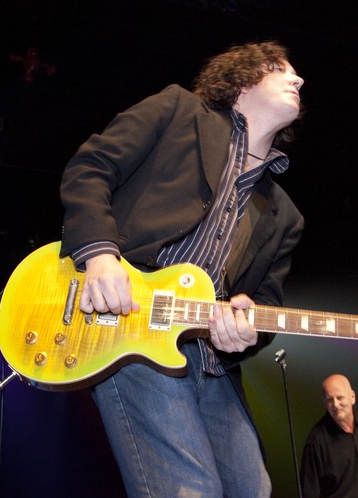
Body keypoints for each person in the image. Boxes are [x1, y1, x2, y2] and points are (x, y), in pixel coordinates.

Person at [59, 41, 305, 497]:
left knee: (253, 491)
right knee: (189, 490)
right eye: (279, 69)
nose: (298, 79)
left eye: (296, 74)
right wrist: (99, 253)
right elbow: (90, 167)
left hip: (212, 365)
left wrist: (247, 328)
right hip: (130, 327)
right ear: (244, 82)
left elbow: (266, 303)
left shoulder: (285, 214)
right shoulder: (178, 109)